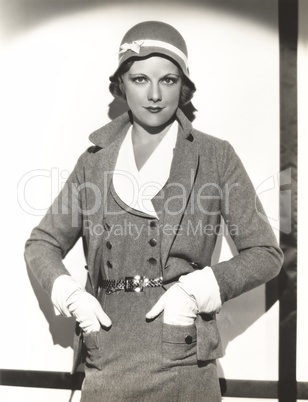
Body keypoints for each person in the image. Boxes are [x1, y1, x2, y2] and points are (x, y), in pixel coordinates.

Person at [25, 21, 283, 402]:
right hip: (106, 358)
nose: (155, 94)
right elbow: (41, 243)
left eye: (168, 80)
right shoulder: (92, 163)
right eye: (140, 78)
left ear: (184, 85)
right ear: (121, 84)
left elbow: (266, 254)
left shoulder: (215, 156)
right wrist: (70, 295)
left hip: (184, 361)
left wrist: (197, 291)